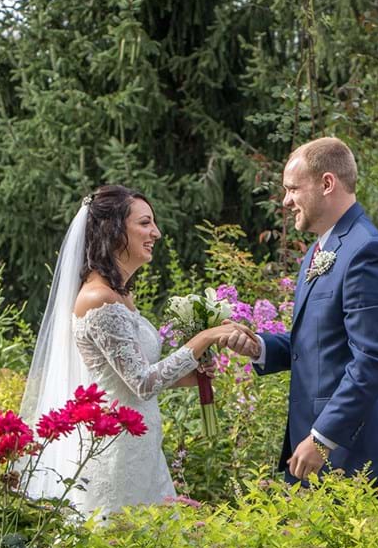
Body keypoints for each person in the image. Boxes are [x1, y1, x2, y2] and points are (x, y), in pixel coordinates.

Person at [21, 184, 250, 519]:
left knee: (150, 543)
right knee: (119, 539)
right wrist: (204, 337)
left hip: (141, 444)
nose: (156, 232)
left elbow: (127, 379)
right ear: (113, 230)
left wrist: (188, 375)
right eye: (145, 223)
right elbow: (142, 383)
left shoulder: (121, 295)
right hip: (115, 450)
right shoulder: (98, 298)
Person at [220, 137, 378, 485]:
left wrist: (323, 438)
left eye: (293, 189)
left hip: (353, 453)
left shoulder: (367, 252)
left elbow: (372, 360)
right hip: (313, 447)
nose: (286, 200)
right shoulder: (322, 249)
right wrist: (260, 346)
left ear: (327, 183)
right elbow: (320, 344)